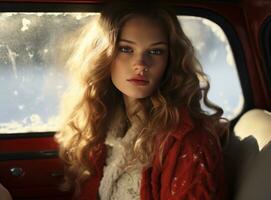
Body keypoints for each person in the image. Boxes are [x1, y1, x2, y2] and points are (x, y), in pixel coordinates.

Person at [55, 1, 229, 199]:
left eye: (155, 51)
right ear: (105, 56)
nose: (140, 64)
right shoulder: (102, 122)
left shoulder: (188, 140)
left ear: (170, 61)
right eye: (126, 49)